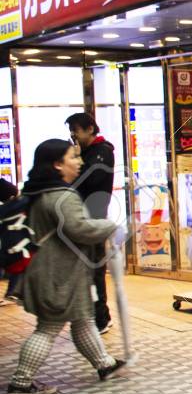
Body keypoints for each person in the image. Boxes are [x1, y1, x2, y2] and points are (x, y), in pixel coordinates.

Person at [7, 139, 126, 394]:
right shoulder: (62, 195)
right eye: (73, 157)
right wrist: (109, 226)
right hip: (57, 274)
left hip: (51, 271)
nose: (79, 162)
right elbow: (79, 229)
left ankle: (104, 364)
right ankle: (21, 382)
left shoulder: (37, 191)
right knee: (48, 327)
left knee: (82, 319)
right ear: (58, 164)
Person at [66, 113, 115, 333]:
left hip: (94, 219)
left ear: (90, 129)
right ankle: (96, 315)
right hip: (82, 219)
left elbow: (88, 179)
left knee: (94, 268)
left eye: (76, 129)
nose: (73, 134)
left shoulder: (102, 152)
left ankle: (101, 319)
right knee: (86, 269)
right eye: (72, 130)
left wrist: (77, 160)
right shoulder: (86, 153)